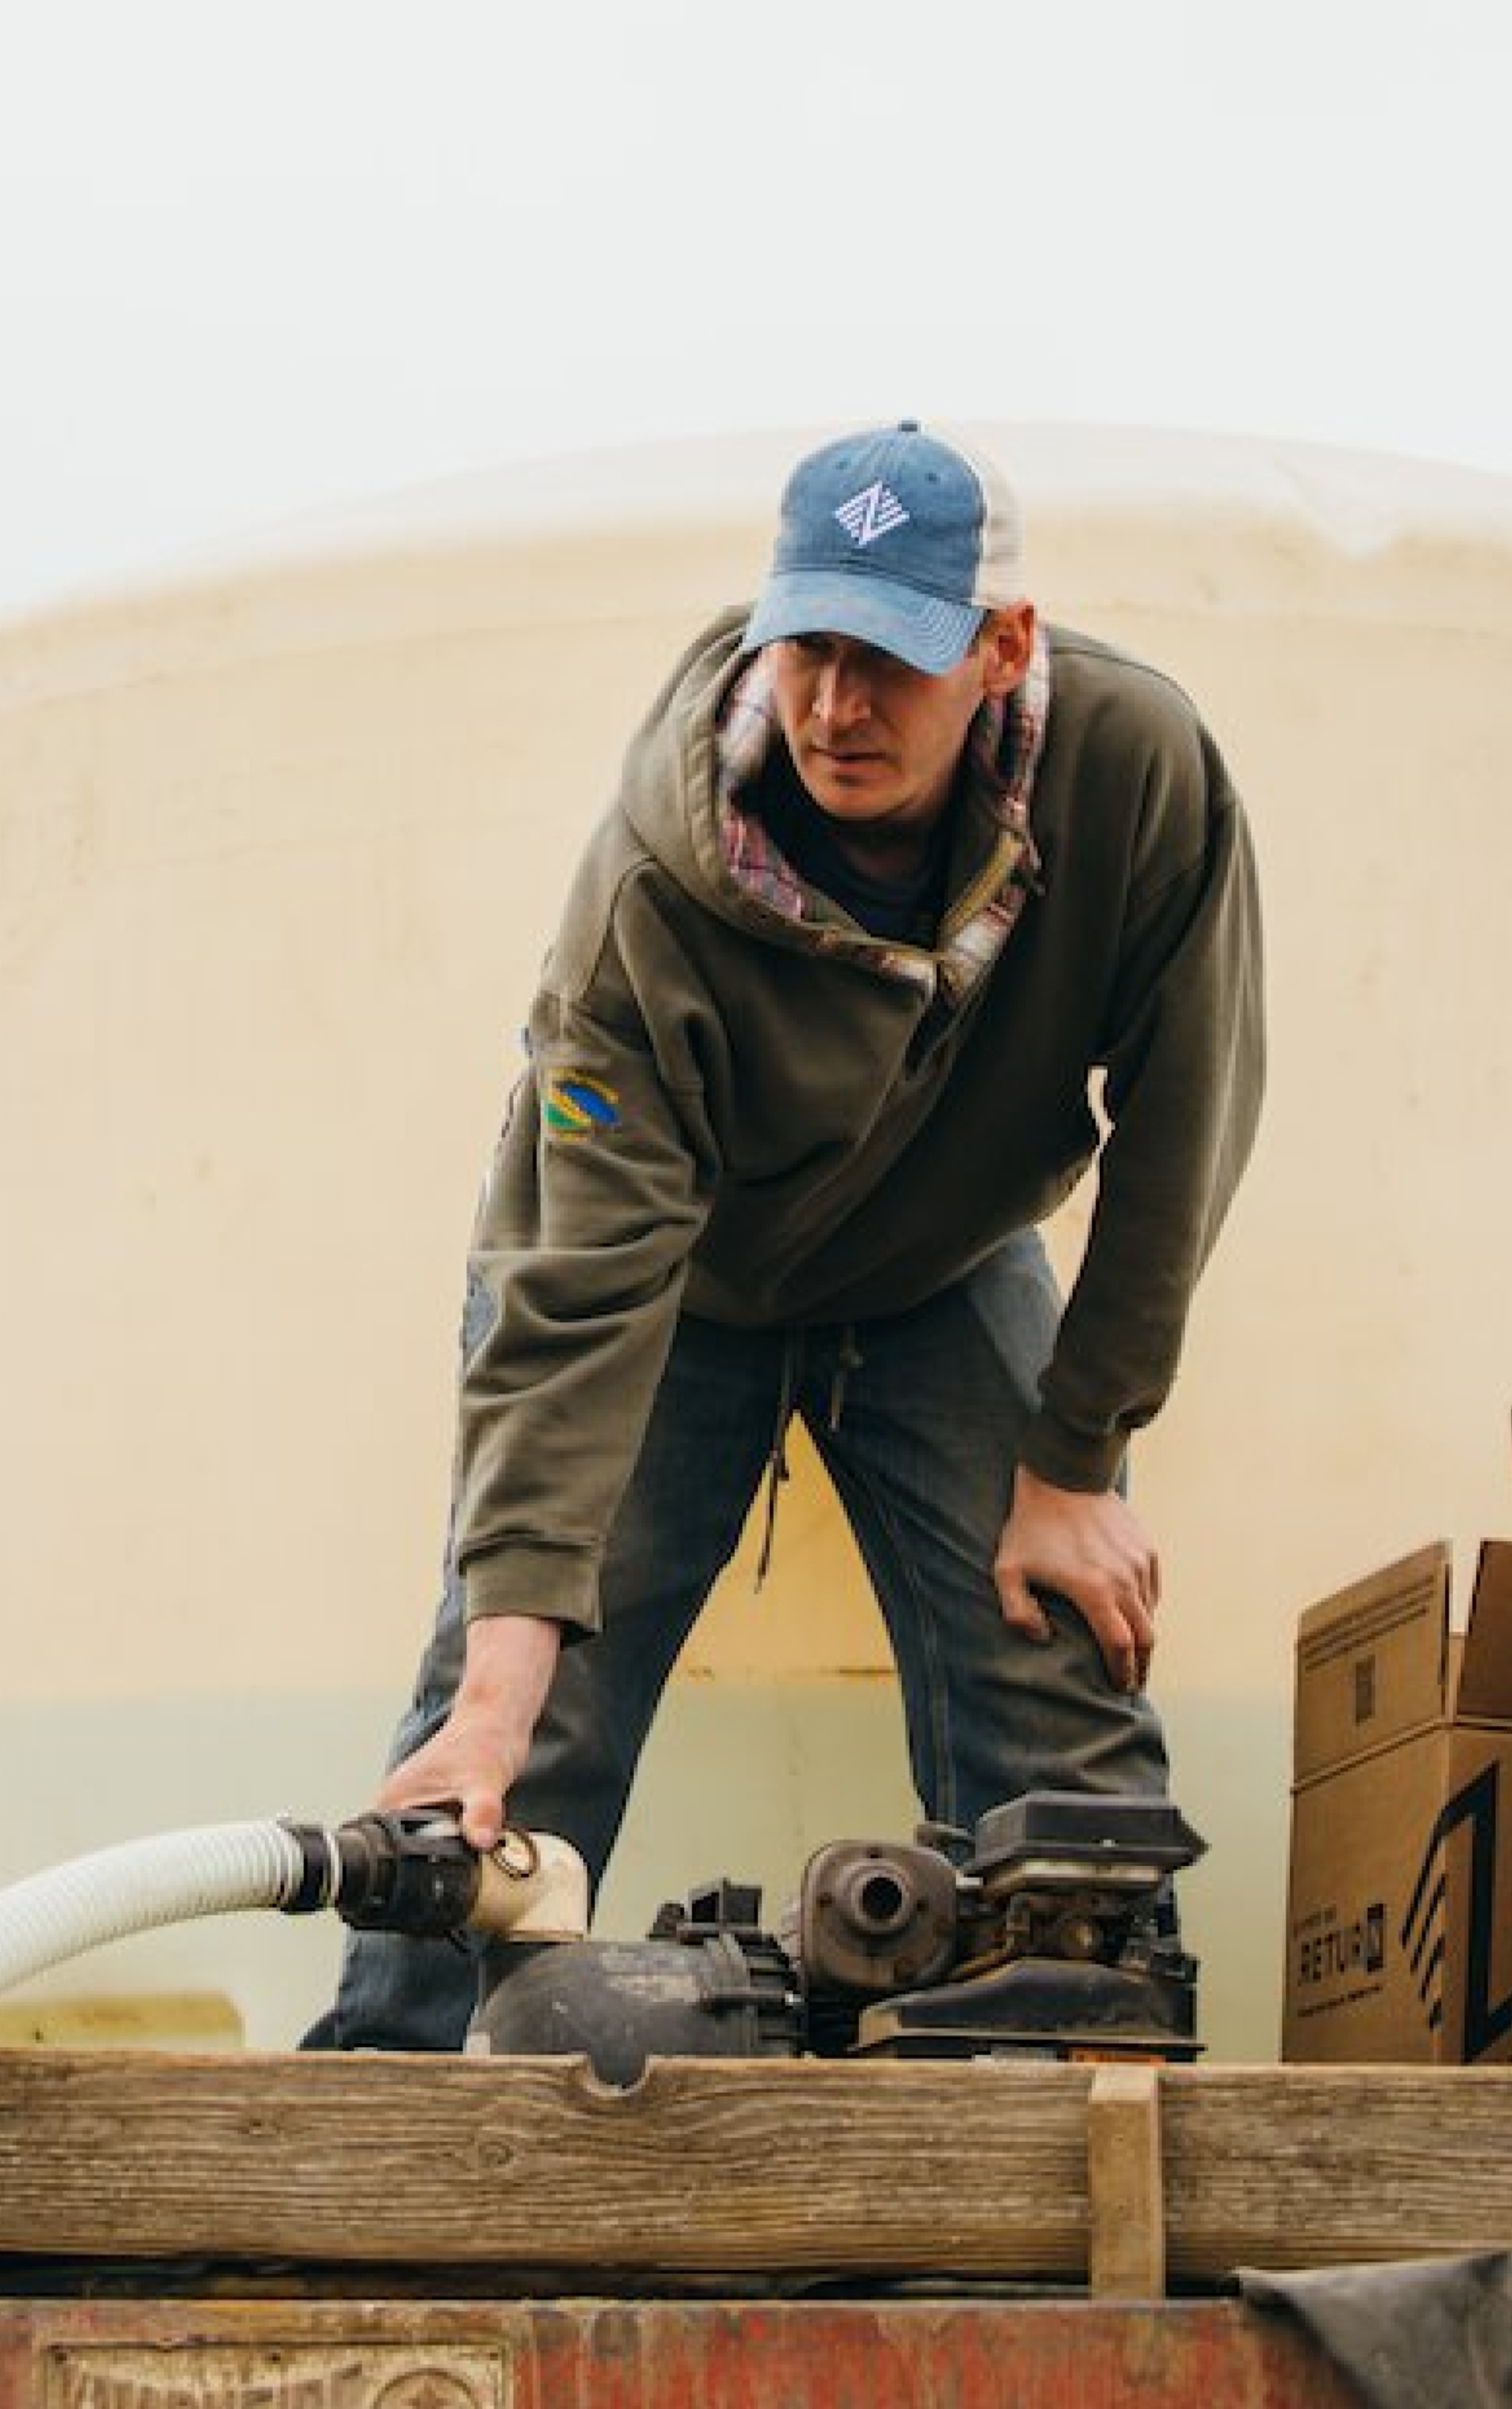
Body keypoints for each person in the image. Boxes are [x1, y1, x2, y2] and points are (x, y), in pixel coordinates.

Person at [306, 419, 1264, 2050]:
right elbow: (575, 1309)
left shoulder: (1141, 774)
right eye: (808, 647)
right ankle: (380, 2098)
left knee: (1057, 1666)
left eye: (889, 660)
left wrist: (1078, 1456)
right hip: (671, 1290)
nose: (836, 707)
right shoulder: (651, 901)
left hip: (944, 1261)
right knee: (521, 1715)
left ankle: (1089, 2093)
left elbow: (1186, 1117)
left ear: (1001, 647)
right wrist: (490, 1698)